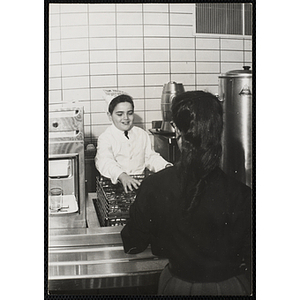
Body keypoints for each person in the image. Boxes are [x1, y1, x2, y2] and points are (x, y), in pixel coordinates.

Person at [121, 91, 252, 295]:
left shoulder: (155, 186)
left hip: (179, 286)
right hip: (233, 287)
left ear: (176, 130)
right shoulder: (242, 194)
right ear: (218, 132)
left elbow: (133, 243)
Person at [95, 90, 172, 193]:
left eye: (129, 113)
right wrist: (121, 176)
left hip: (137, 187)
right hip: (114, 190)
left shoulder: (141, 134)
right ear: (110, 115)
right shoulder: (106, 137)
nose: (125, 118)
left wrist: (165, 167)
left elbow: (150, 157)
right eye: (119, 114)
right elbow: (105, 161)